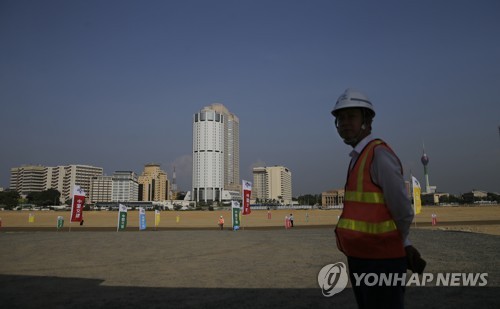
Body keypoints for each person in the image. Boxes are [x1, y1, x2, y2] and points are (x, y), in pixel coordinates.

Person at [331, 89, 426, 309]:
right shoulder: (357, 157)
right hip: (361, 258)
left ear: (367, 120)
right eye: (340, 118)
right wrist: (405, 243)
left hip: (381, 261)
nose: (344, 123)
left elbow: (402, 210)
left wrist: (400, 243)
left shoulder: (379, 155)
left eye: (351, 116)